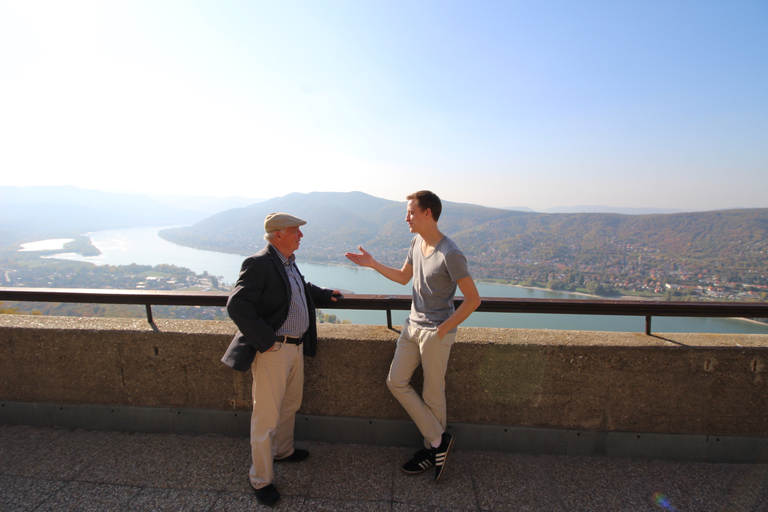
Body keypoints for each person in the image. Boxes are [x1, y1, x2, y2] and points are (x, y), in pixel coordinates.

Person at [345, 190, 481, 483]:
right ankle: (438, 440)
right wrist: (373, 264)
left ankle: (432, 451)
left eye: (410, 212)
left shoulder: (451, 253)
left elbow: (473, 299)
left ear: (427, 213)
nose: (406, 217)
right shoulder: (416, 241)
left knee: (433, 393)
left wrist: (443, 330)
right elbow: (405, 277)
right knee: (396, 381)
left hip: (436, 332)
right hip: (411, 326)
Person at [222, 212, 341, 507]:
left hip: (295, 348)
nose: (301, 236)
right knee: (266, 418)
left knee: (290, 405)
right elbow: (237, 305)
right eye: (295, 231)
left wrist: (327, 294)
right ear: (278, 235)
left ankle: (283, 451)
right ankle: (261, 479)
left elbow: (298, 290)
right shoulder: (259, 263)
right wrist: (266, 343)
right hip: (274, 350)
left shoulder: (287, 262)